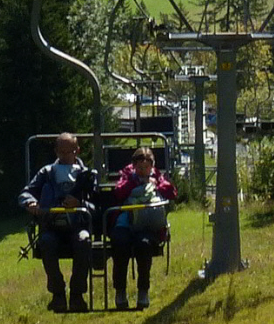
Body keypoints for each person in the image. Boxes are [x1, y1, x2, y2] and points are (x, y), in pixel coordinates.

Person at [19, 133, 95, 313]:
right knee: (46, 242)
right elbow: (26, 192)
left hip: (77, 226)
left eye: (69, 151)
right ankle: (58, 294)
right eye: (61, 152)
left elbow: (96, 204)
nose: (65, 155)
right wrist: (30, 202)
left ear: (77, 151)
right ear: (56, 151)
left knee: (83, 241)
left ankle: (77, 295)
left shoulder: (87, 175)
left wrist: (80, 204)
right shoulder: (46, 173)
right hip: (52, 226)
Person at [110, 147, 177, 310]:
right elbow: (118, 192)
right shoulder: (127, 176)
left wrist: (157, 185)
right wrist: (134, 183)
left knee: (144, 245)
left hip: (147, 224)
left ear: (152, 166)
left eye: (146, 167)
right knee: (120, 243)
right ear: (133, 166)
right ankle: (120, 291)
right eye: (139, 167)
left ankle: (143, 291)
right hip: (126, 222)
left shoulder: (157, 177)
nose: (142, 170)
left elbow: (172, 193)